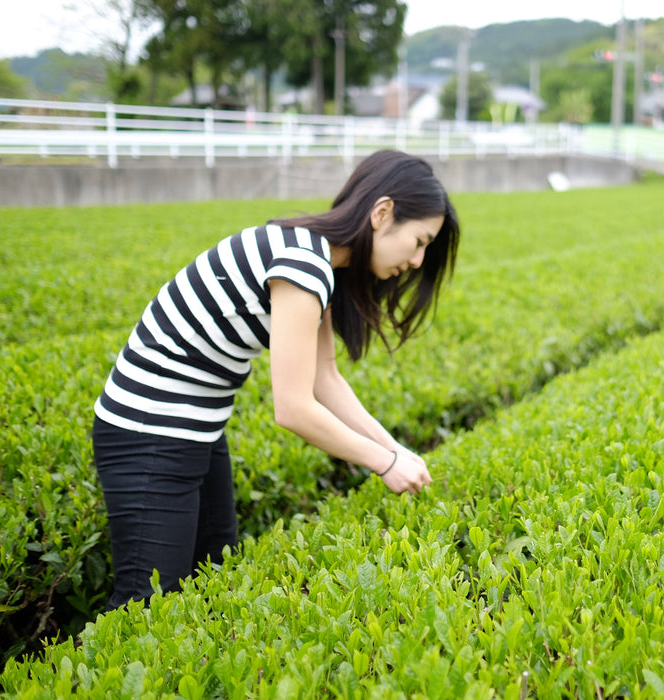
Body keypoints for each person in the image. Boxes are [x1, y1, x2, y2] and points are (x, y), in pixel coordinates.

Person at [91, 150, 460, 610]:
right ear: (382, 214)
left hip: (195, 430)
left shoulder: (314, 256)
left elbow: (326, 379)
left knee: (211, 574)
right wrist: (383, 464)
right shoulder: (303, 263)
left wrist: (397, 451)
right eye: (419, 241)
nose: (420, 260)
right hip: (148, 432)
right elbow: (293, 408)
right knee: (145, 605)